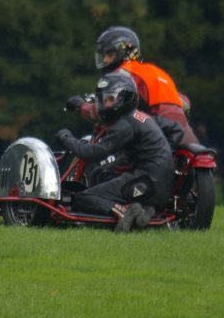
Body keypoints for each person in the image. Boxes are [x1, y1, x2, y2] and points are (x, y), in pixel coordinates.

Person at [56, 72, 176, 232]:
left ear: (125, 98)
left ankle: (123, 212)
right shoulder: (140, 117)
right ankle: (144, 210)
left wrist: (67, 139)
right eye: (104, 99)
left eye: (111, 99)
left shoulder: (124, 124)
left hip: (146, 182)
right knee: (103, 173)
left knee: (84, 198)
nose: (106, 104)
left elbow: (93, 153)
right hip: (160, 186)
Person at [72, 26, 199, 145]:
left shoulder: (120, 75)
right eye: (103, 55)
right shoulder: (154, 71)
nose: (105, 60)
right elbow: (185, 103)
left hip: (157, 130)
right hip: (184, 134)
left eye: (109, 55)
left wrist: (81, 105)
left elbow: (105, 110)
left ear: (123, 53)